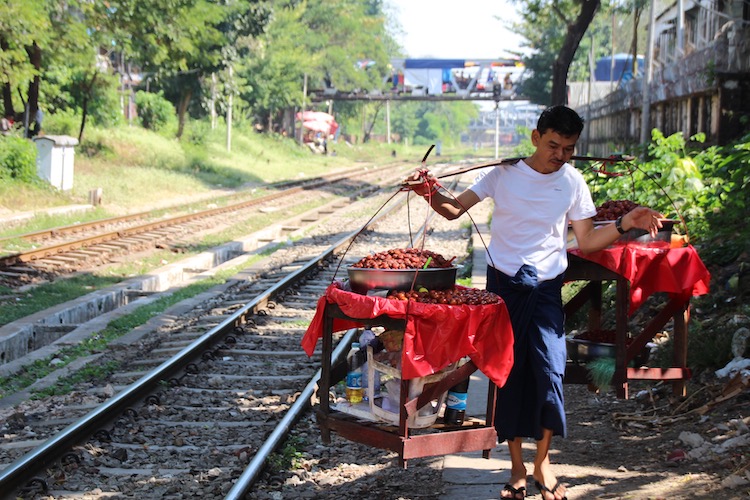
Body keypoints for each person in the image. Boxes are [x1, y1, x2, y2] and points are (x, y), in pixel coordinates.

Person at [404, 105, 662, 500]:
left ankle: (543, 461)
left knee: (550, 371)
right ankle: (517, 468)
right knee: (509, 374)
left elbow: (588, 240)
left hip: (544, 287)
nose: (559, 155)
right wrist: (427, 188)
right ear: (535, 137)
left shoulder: (573, 182)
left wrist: (626, 224)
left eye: (569, 148)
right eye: (554, 145)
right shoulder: (503, 174)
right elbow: (454, 209)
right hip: (503, 285)